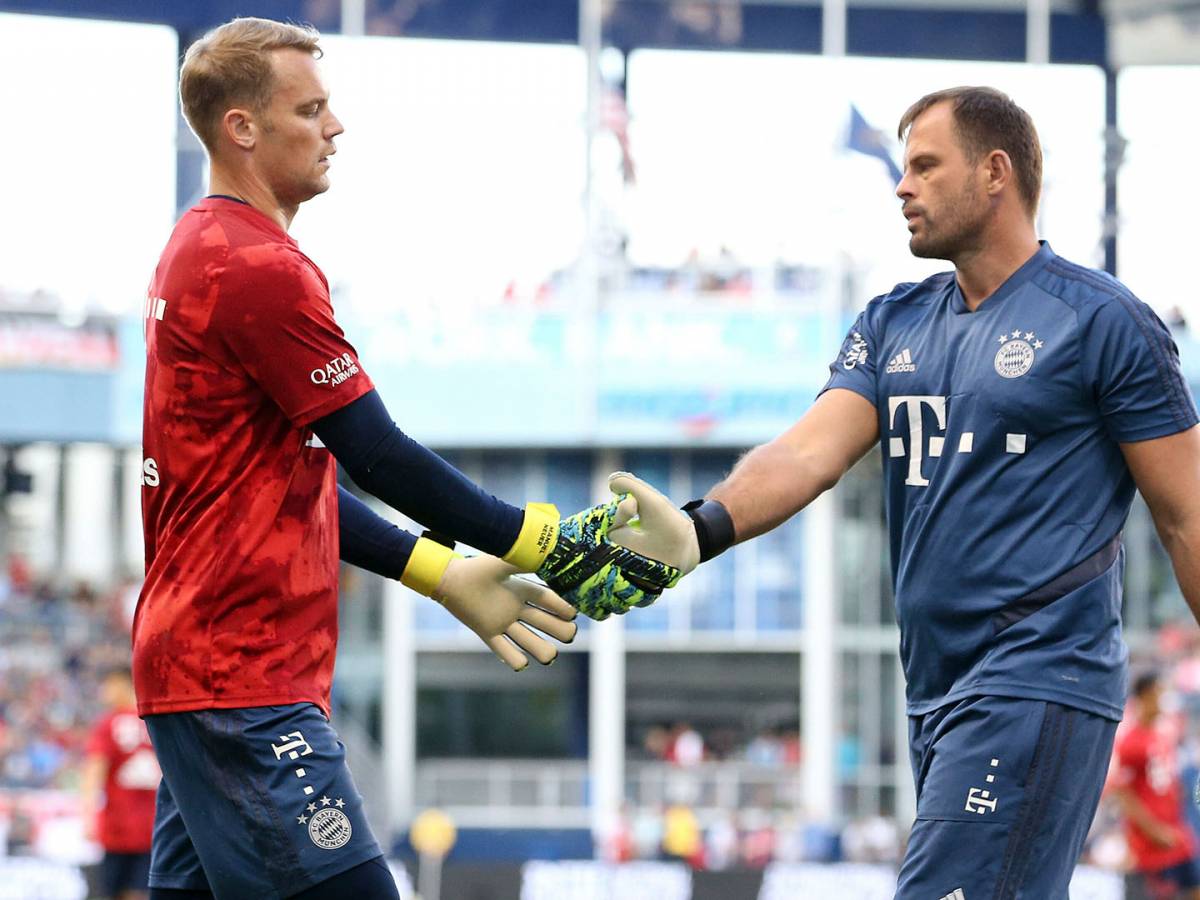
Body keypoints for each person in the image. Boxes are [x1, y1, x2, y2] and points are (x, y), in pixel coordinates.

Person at [606, 86, 1200, 898]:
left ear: (996, 174)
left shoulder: (1103, 321)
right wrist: (701, 526)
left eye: (925, 165)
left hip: (1038, 677)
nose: (901, 185)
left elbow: (1186, 515)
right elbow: (808, 453)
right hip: (936, 694)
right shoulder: (892, 322)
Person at [137, 17, 676, 899]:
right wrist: (542, 543)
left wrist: (439, 571)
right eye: (310, 109)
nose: (335, 127)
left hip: (213, 674)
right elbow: (377, 454)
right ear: (241, 127)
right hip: (240, 680)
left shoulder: (199, 247)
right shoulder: (254, 265)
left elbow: (282, 490)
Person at [1113, 672, 1200, 900]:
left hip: (1178, 835)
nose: (1163, 698)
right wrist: (1155, 832)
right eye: (1158, 692)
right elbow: (1124, 794)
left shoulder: (1162, 734)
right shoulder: (1130, 741)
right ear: (1144, 696)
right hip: (1153, 845)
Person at [81, 667, 161, 900]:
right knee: (142, 891)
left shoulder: (109, 724)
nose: (104, 692)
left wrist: (88, 817)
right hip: (154, 826)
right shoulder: (157, 722)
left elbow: (93, 772)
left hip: (118, 826)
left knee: (114, 892)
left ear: (124, 684)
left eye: (108, 685)